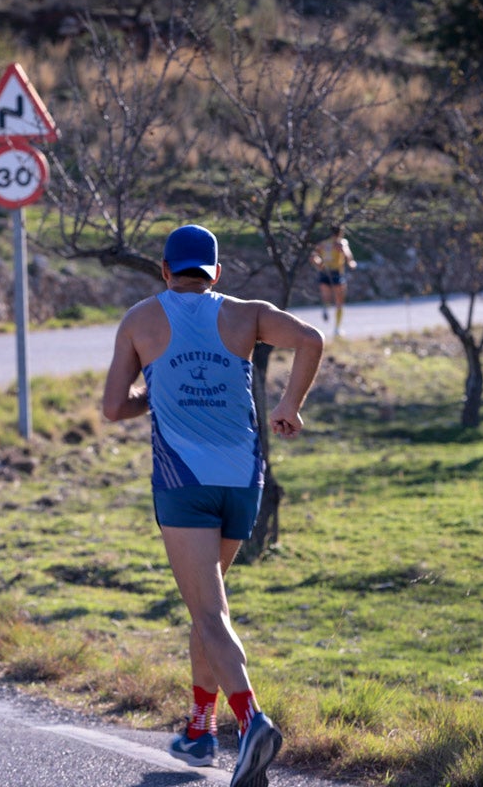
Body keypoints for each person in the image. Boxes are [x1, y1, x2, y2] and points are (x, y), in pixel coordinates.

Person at [102, 224, 324, 787]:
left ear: (164, 269)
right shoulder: (247, 314)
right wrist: (290, 406)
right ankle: (199, 729)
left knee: (208, 613)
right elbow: (311, 339)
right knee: (211, 603)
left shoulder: (141, 319)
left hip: (183, 481)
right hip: (242, 478)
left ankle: (252, 721)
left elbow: (112, 407)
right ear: (216, 273)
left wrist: (156, 391)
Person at [310, 225, 357, 337]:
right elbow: (347, 254)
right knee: (339, 301)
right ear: (341, 232)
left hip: (324, 272)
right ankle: (337, 328)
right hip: (336, 273)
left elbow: (313, 256)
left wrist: (319, 264)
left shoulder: (323, 243)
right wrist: (351, 262)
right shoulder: (341, 242)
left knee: (326, 296)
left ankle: (326, 308)